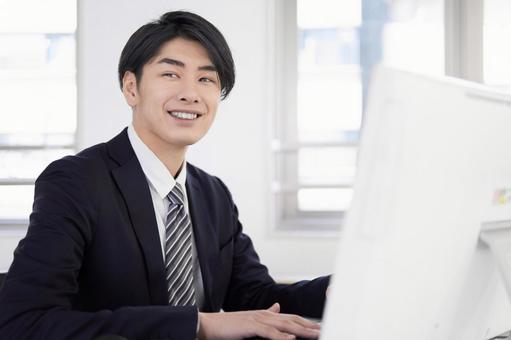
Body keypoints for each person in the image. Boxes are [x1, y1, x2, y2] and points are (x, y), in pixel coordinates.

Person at [0, 11, 329, 340]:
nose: (190, 93)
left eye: (206, 79)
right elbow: (25, 321)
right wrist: (199, 325)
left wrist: (338, 289)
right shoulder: (77, 182)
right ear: (132, 88)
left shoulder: (213, 194)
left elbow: (255, 299)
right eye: (171, 74)